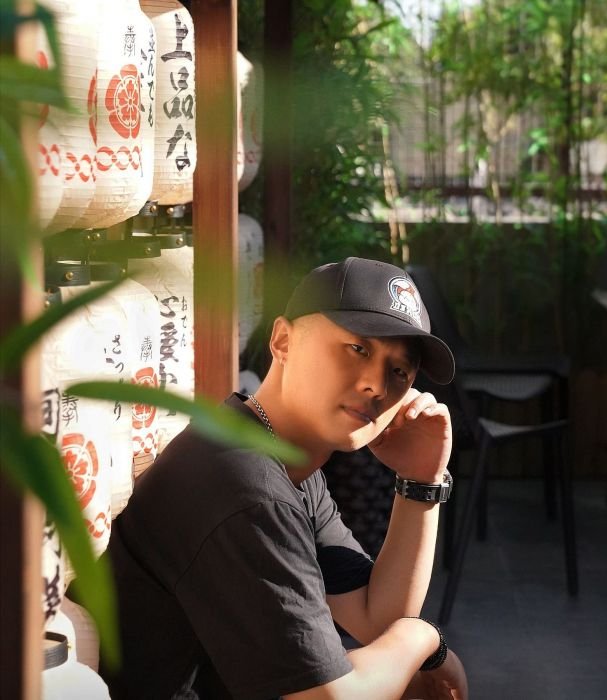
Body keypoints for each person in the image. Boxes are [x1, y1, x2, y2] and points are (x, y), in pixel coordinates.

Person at [101, 257, 469, 700]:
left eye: (400, 371)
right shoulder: (245, 486)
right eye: (358, 349)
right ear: (283, 341)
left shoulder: (276, 454)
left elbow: (376, 618)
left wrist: (420, 481)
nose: (377, 384)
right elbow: (329, 696)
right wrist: (425, 639)